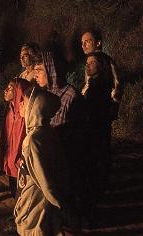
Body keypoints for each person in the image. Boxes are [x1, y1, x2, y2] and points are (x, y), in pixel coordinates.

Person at [36, 50, 84, 229]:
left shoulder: (71, 96)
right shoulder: (44, 96)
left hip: (66, 156)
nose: (36, 75)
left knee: (66, 198)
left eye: (40, 70)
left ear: (52, 70)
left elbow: (78, 132)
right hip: (51, 156)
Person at [14, 86, 68, 236]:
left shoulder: (33, 140)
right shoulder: (47, 132)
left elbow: (46, 182)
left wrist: (63, 208)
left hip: (34, 210)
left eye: (24, 102)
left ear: (35, 107)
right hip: (40, 206)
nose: (20, 105)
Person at [80, 52, 117, 223]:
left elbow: (99, 113)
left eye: (92, 63)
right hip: (89, 133)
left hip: (95, 135)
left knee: (92, 172)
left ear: (101, 66)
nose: (87, 65)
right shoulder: (90, 83)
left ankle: (90, 214)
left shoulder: (101, 87)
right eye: (87, 62)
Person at [0, 78, 31, 199]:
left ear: (19, 91)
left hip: (20, 163)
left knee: (23, 194)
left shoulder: (25, 115)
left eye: (10, 88)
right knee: (14, 190)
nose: (5, 90)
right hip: (10, 159)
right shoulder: (9, 112)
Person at [80, 30, 121, 103]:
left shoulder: (102, 59)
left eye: (87, 42)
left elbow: (116, 81)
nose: (83, 45)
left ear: (98, 43)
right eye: (82, 43)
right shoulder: (108, 59)